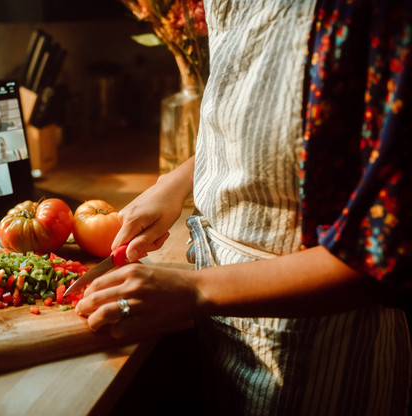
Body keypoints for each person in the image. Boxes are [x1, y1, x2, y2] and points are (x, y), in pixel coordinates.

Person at [75, 1, 412, 415]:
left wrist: (194, 289)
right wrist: (179, 180)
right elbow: (268, 121)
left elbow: (382, 258)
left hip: (316, 349)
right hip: (224, 324)